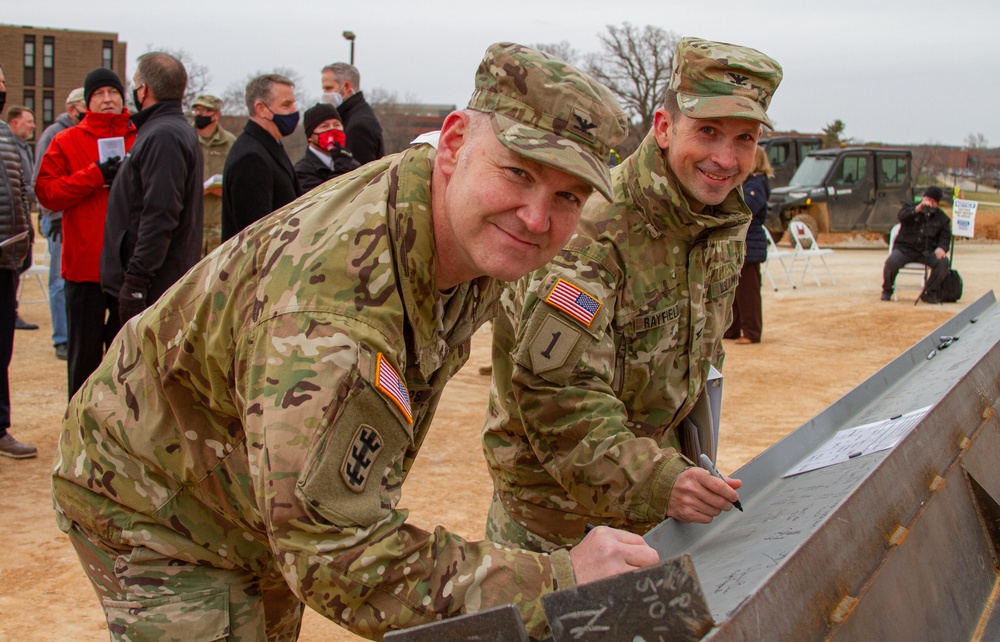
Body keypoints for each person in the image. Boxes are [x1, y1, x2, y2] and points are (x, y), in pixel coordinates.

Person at [51, 42, 658, 640]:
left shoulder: (455, 222)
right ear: (452, 144)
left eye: (568, 197)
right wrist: (558, 578)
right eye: (518, 173)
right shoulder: (333, 317)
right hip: (154, 498)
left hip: (246, 482)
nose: (535, 217)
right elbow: (340, 561)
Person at [482, 37, 784, 552]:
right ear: (664, 129)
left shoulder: (718, 224)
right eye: (708, 131)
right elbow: (555, 396)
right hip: (556, 528)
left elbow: (699, 357)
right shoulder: (596, 234)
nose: (725, 158)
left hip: (646, 508)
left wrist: (682, 466)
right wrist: (662, 481)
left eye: (744, 139)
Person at [36, 69, 136, 398]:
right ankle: (78, 428)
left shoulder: (140, 137)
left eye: (113, 92)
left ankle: (125, 433)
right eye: (99, 94)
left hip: (129, 267)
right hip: (84, 267)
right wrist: (94, 175)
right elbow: (47, 193)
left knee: (128, 358)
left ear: (124, 98)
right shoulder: (66, 141)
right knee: (84, 357)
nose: (107, 99)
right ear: (88, 102)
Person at [100, 52, 203, 324]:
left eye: (135, 83)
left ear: (143, 89)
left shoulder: (164, 135)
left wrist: (136, 281)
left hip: (154, 286)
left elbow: (161, 212)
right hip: (158, 281)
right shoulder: (164, 129)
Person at [32, 87, 86, 361]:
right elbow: (42, 180)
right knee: (57, 281)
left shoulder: (83, 135)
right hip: (57, 221)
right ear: (72, 108)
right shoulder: (54, 135)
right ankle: (61, 338)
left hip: (76, 220)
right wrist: (52, 218)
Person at [0, 65, 36, 458]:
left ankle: (0, 427)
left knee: (2, 351)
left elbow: (23, 191)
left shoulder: (8, 139)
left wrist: (23, 240)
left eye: (3, 82)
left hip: (6, 259)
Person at [221, 74, 301, 242]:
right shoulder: (251, 159)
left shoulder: (270, 145)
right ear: (261, 109)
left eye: (294, 103)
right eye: (286, 105)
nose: (294, 111)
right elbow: (256, 236)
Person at [724, 146, 774, 344]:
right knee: (734, 289)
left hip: (750, 243)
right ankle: (734, 328)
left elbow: (748, 208)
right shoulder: (748, 183)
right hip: (741, 242)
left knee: (748, 291)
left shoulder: (757, 184)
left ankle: (752, 331)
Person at [881, 186, 951, 303]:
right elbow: (901, 216)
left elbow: (945, 237)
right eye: (928, 199)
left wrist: (941, 248)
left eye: (933, 201)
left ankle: (928, 292)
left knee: (943, 263)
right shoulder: (910, 207)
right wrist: (917, 209)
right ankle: (887, 290)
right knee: (891, 262)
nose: (930, 203)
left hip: (927, 251)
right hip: (905, 249)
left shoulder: (942, 219)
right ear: (923, 198)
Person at [5, 105, 40, 332]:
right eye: (28, 121)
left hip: (22, 216)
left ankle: (12, 309)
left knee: (22, 263)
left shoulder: (23, 147)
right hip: (11, 223)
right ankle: (12, 311)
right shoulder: (8, 146)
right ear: (15, 122)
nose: (33, 125)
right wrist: (38, 192)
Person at [192, 94, 236, 256]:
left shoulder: (230, 142)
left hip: (219, 224)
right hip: (193, 223)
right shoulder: (187, 139)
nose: (199, 114)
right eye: (196, 109)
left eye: (204, 110)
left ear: (216, 115)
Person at [320, 62, 385, 164]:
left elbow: (358, 175)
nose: (325, 94)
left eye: (329, 88)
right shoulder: (351, 116)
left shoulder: (358, 126)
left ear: (346, 87)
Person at [294, 102, 360, 192]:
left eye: (337, 125)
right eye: (324, 126)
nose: (332, 130)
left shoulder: (351, 163)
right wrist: (342, 168)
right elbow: (323, 201)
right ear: (310, 136)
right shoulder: (302, 171)